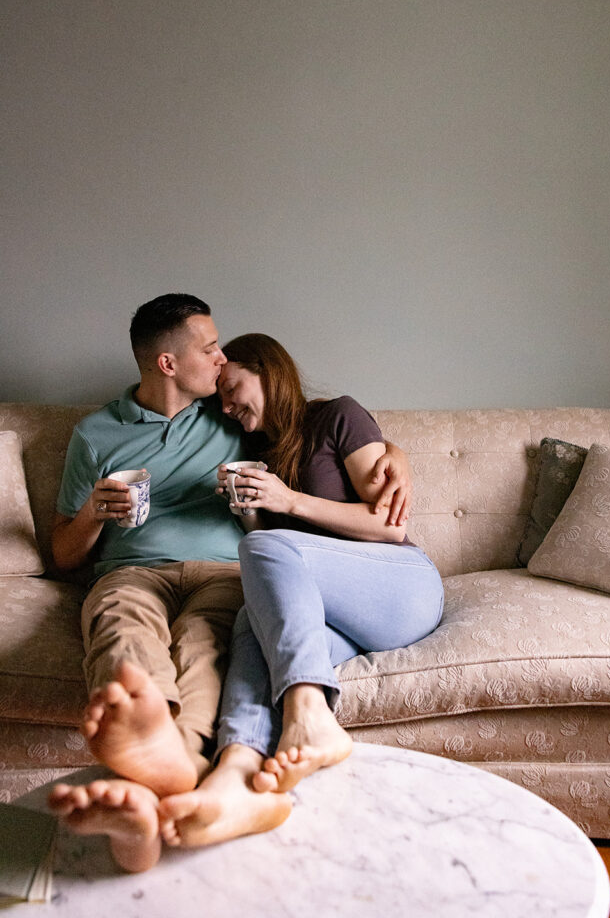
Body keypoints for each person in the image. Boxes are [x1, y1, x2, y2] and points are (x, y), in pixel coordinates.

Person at [48, 296, 410, 871]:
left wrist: (395, 452)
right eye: (210, 349)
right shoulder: (95, 435)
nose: (222, 361)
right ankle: (165, 753)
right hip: (130, 570)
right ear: (168, 363)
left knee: (206, 644)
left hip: (226, 570)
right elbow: (63, 553)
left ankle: (174, 759)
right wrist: (93, 511)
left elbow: (314, 428)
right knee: (122, 625)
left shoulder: (232, 417)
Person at [155, 334, 444, 851]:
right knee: (251, 623)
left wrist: (289, 501)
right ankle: (237, 775)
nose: (226, 406)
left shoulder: (338, 416)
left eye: (231, 387)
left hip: (402, 585)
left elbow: (390, 527)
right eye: (219, 400)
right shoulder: (258, 452)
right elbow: (274, 568)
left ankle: (310, 716)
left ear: (266, 369)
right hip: (336, 613)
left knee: (266, 553)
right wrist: (245, 506)